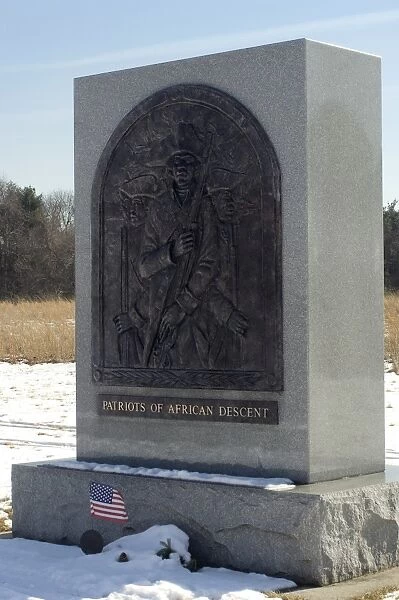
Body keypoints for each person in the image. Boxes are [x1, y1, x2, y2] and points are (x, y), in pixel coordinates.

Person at [138, 124, 219, 369]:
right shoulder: (157, 208)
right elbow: (143, 267)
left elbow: (209, 263)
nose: (181, 169)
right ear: (170, 171)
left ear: (194, 170)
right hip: (159, 310)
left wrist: (181, 307)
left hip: (193, 312)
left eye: (186, 163)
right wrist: (171, 252)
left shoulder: (205, 208)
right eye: (176, 164)